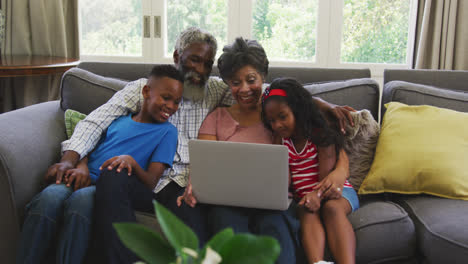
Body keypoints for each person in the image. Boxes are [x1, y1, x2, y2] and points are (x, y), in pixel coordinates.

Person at [54, 27, 352, 259]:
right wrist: (73, 158)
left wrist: (324, 106)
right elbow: (97, 121)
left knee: (230, 230)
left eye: (206, 63)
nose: (200, 69)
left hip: (186, 187)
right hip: (152, 179)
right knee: (113, 177)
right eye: (194, 59)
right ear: (176, 57)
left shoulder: (217, 92)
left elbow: (275, 93)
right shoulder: (146, 89)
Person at [16, 64, 183, 264]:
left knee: (81, 201)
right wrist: (81, 165)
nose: (171, 106)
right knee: (49, 197)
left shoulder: (168, 132)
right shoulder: (119, 120)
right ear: (146, 91)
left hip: (107, 187)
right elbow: (90, 145)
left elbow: (150, 183)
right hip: (82, 175)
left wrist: (131, 162)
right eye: (166, 98)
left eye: (177, 102)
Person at [177, 37, 296, 264]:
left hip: (274, 203)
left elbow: (306, 110)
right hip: (227, 203)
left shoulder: (279, 114)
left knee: (276, 228)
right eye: (234, 82)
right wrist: (193, 185)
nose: (244, 89)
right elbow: (203, 165)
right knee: (227, 228)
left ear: (263, 77)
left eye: (251, 80)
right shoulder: (216, 118)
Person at [261, 78, 360, 264]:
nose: (277, 125)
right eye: (272, 121)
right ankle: (318, 263)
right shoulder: (280, 139)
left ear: (298, 111)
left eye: (283, 117)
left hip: (334, 191)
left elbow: (326, 175)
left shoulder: (319, 134)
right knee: (306, 210)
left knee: (331, 208)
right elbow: (285, 177)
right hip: (307, 196)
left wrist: (317, 194)